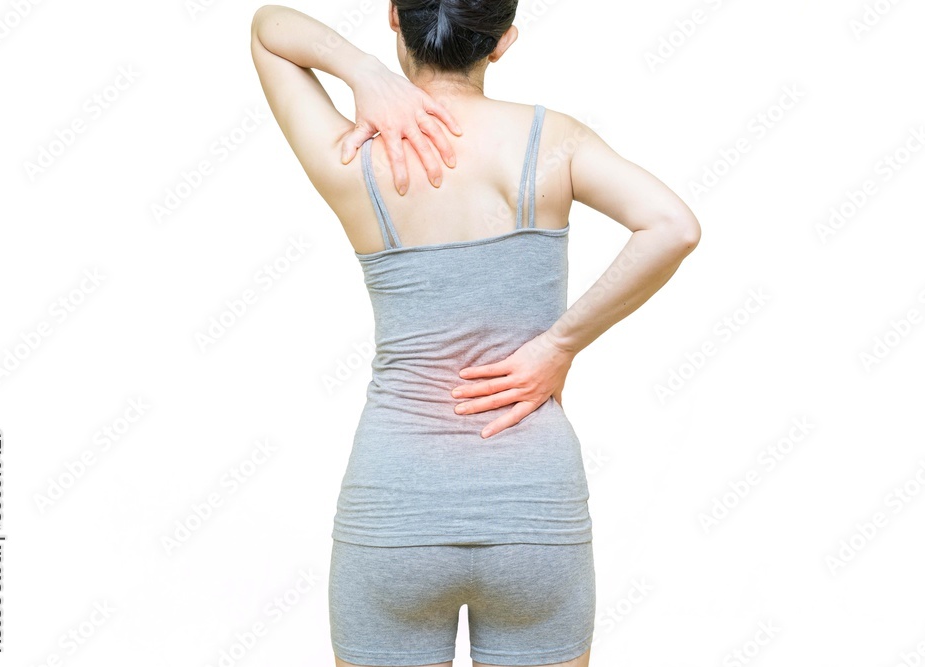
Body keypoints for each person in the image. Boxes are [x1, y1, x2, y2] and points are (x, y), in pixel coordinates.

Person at [250, 2, 701, 665]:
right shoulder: (553, 140)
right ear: (503, 41)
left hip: (396, 509)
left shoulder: (356, 154)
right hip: (533, 509)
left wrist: (364, 73)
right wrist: (559, 344)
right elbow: (673, 226)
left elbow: (269, 30)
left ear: (395, 17)